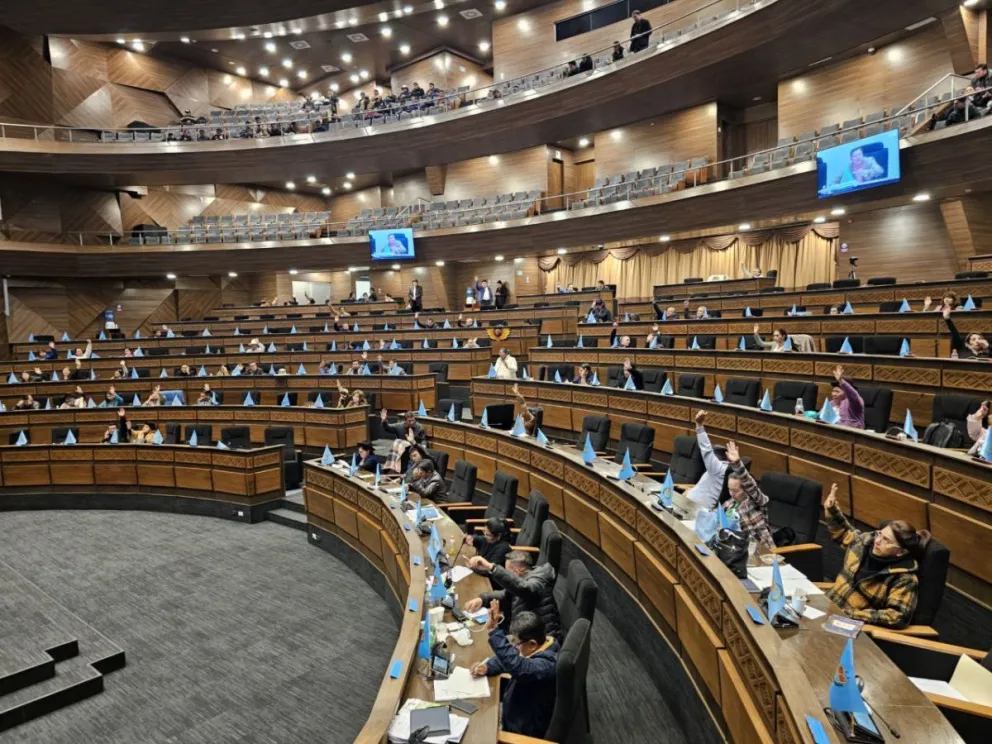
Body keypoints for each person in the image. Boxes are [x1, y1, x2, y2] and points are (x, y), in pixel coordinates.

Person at [823, 484, 928, 628]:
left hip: (851, 628)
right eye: (880, 534)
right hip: (827, 609)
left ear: (900, 552)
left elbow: (897, 616)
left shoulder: (904, 578)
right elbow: (844, 534)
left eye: (886, 541)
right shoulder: (865, 542)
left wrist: (852, 614)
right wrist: (832, 509)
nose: (877, 541)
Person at [471, 605, 559, 739]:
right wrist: (488, 666)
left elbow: (518, 666)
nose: (515, 646)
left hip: (521, 728)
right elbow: (516, 657)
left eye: (517, 643)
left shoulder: (547, 664)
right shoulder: (543, 644)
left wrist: (493, 630)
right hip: (513, 708)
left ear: (532, 644)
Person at [464, 550, 562, 640]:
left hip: (540, 641)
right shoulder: (525, 578)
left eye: (507, 572)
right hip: (525, 631)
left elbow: (525, 588)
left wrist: (491, 567)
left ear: (517, 572)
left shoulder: (538, 581)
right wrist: (483, 599)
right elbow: (505, 594)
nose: (506, 574)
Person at [724, 441, 775, 550]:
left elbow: (749, 483)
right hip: (739, 550)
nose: (731, 494)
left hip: (763, 551)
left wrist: (737, 464)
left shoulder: (756, 501)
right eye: (729, 490)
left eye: (735, 491)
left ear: (746, 490)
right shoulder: (728, 505)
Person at [685, 411, 732, 510]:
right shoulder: (726, 471)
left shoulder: (718, 469)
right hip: (689, 503)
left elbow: (706, 450)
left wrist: (699, 426)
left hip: (694, 510)